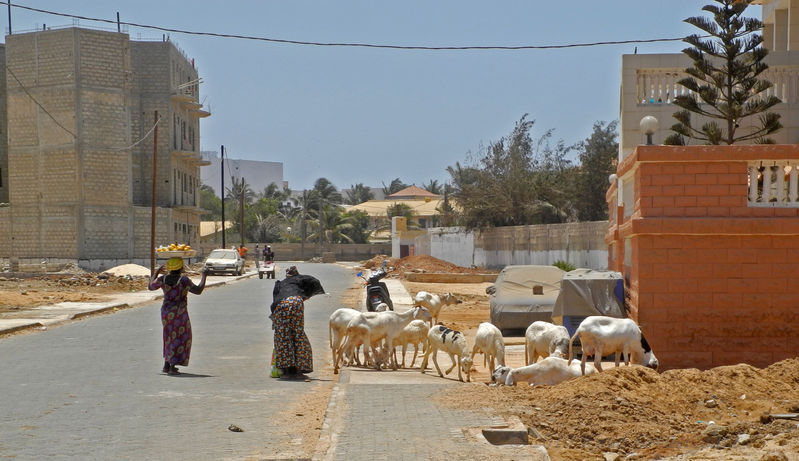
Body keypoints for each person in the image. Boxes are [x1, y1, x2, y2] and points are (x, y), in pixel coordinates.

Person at [148, 257, 208, 375]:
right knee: (180, 337)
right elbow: (198, 290)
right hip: (179, 313)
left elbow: (150, 286)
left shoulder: (162, 279)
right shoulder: (183, 280)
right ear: (181, 268)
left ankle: (166, 364)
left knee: (168, 336)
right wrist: (204, 276)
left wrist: (156, 272)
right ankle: (172, 366)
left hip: (166, 312)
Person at [270, 270, 324, 380]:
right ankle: (299, 371)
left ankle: (287, 372)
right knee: (298, 334)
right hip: (297, 302)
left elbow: (274, 302)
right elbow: (314, 281)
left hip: (281, 304)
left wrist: (275, 322)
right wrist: (306, 295)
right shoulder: (300, 279)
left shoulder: (281, 283)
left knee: (283, 337)